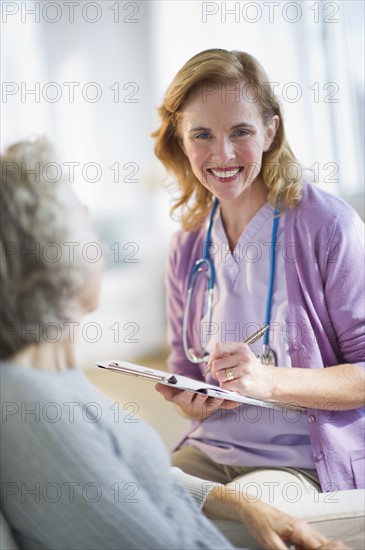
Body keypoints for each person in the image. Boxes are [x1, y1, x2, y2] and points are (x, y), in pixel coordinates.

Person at [0, 138, 346, 550]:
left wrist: (239, 503)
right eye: (79, 212)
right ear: (49, 253)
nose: (92, 217)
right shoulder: (33, 407)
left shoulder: (52, 378)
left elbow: (144, 482)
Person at [152, 49, 365, 499]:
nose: (222, 153)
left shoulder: (328, 227)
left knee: (234, 523)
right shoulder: (188, 245)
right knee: (134, 510)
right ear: (180, 138)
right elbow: (184, 368)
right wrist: (192, 398)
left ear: (271, 131)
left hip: (301, 461)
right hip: (214, 448)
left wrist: (269, 381)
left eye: (241, 131)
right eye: (203, 134)